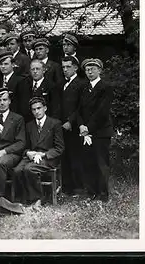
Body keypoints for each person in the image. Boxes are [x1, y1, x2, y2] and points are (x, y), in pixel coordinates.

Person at [12, 96, 64, 208]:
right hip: (32, 156)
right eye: (34, 109)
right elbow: (24, 146)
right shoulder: (29, 126)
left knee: (29, 169)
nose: (37, 112)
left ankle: (38, 199)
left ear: (45, 108)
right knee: (17, 170)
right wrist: (28, 153)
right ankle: (23, 198)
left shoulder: (55, 123)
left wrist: (44, 154)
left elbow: (59, 148)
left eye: (39, 108)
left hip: (48, 157)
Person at [76, 58, 114, 202]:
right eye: (87, 69)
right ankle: (91, 192)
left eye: (93, 68)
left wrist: (88, 127)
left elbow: (102, 112)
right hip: (85, 132)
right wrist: (81, 125)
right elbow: (78, 110)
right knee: (88, 162)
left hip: (100, 132)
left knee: (101, 163)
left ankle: (103, 194)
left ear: (99, 70)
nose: (90, 71)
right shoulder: (83, 88)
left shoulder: (106, 87)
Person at [59, 56, 87, 196]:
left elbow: (81, 107)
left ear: (75, 67)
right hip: (63, 127)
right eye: (63, 67)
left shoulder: (81, 84)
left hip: (75, 126)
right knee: (66, 156)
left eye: (68, 67)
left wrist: (71, 121)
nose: (65, 70)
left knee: (76, 156)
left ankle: (79, 188)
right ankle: (67, 187)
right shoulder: (63, 84)